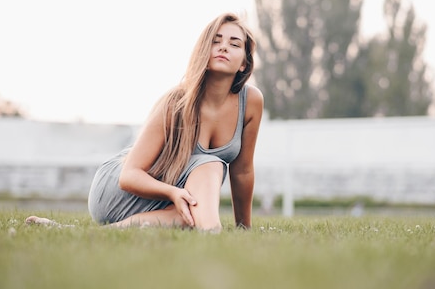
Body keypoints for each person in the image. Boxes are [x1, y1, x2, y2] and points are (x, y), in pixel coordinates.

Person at [26, 12, 263, 232]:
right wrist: (172, 192)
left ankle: (78, 233)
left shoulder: (250, 101)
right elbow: (129, 175)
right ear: (203, 49)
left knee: (192, 215)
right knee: (212, 164)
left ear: (244, 62)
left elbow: (242, 171)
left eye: (234, 44)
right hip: (121, 189)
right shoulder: (176, 103)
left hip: (173, 195)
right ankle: (209, 230)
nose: (223, 46)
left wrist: (244, 229)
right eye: (216, 40)